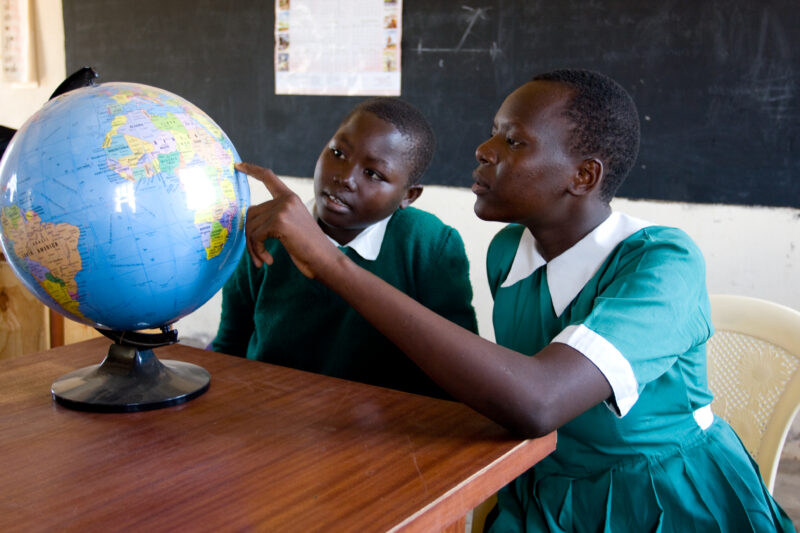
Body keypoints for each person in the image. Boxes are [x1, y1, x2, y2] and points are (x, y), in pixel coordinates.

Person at [235, 69, 796, 532]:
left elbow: (539, 400)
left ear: (582, 174)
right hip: (542, 490)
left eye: (513, 141)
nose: (482, 150)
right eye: (492, 132)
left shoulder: (662, 264)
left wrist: (331, 262)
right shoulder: (509, 251)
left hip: (660, 502)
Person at [212, 97, 478, 399]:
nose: (345, 177)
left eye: (374, 174)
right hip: (275, 415)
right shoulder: (268, 229)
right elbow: (229, 348)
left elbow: (461, 370)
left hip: (388, 431)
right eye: (338, 153)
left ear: (409, 196)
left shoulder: (430, 245)